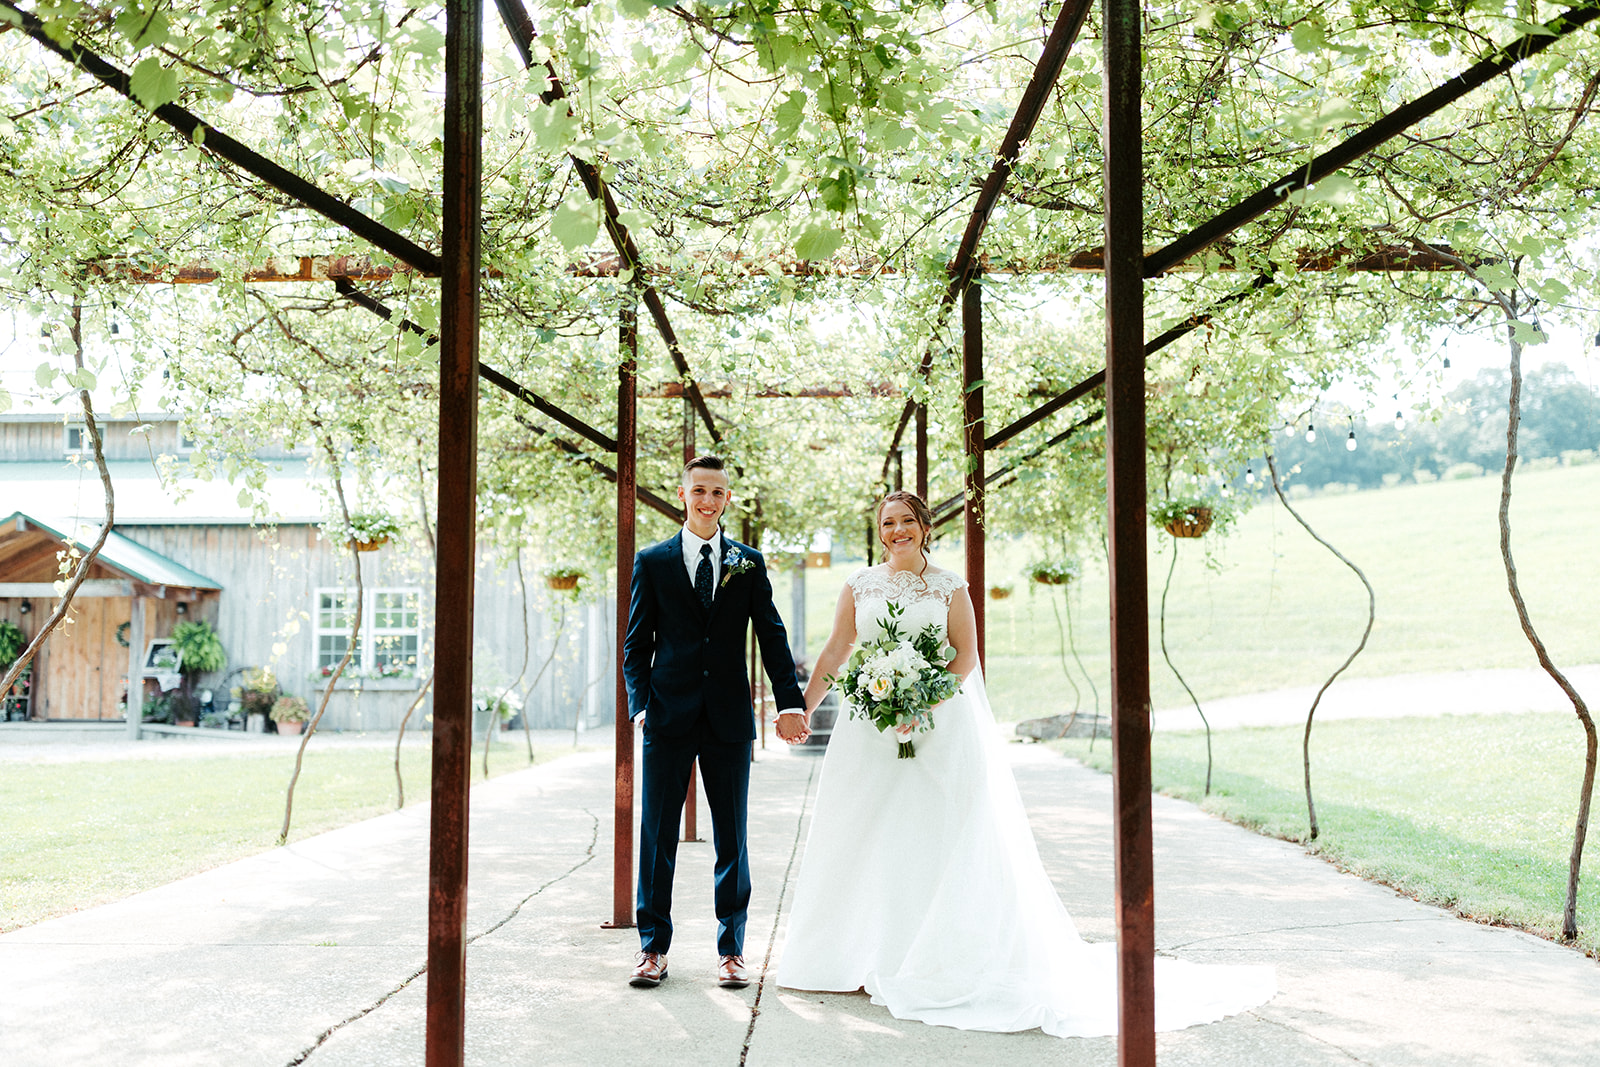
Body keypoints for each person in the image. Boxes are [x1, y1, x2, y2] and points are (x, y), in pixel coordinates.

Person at [775, 490, 1275, 1036]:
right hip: (868, 732)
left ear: (924, 526)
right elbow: (836, 649)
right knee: (862, 832)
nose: (897, 531)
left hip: (938, 728)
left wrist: (921, 701)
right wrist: (801, 707)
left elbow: (966, 657)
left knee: (932, 834)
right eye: (887, 523)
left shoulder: (949, 587)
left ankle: (926, 957)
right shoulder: (859, 585)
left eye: (906, 522)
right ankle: (852, 952)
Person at [622, 455, 808, 990]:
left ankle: (731, 950)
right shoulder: (653, 562)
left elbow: (771, 635)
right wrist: (641, 707)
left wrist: (790, 702)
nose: (709, 501)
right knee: (656, 838)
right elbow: (637, 645)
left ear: (729, 499)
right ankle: (651, 948)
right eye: (699, 491)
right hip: (667, 717)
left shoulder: (748, 563)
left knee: (733, 839)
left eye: (719, 493)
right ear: (683, 495)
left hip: (728, 719)